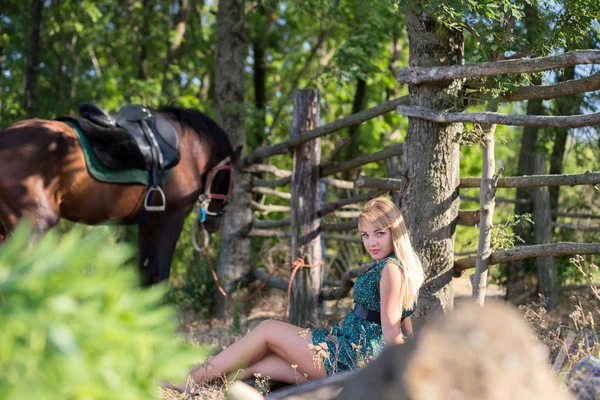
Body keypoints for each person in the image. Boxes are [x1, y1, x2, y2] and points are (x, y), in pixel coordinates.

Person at [168, 197, 425, 389]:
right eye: (365, 235)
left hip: (350, 359)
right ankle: (206, 386)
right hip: (345, 350)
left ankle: (191, 379)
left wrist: (410, 376)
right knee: (259, 363)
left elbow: (393, 336)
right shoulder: (398, 268)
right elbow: (405, 321)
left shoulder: (391, 270)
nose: (371, 242)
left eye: (379, 234)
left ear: (395, 232)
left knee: (268, 329)